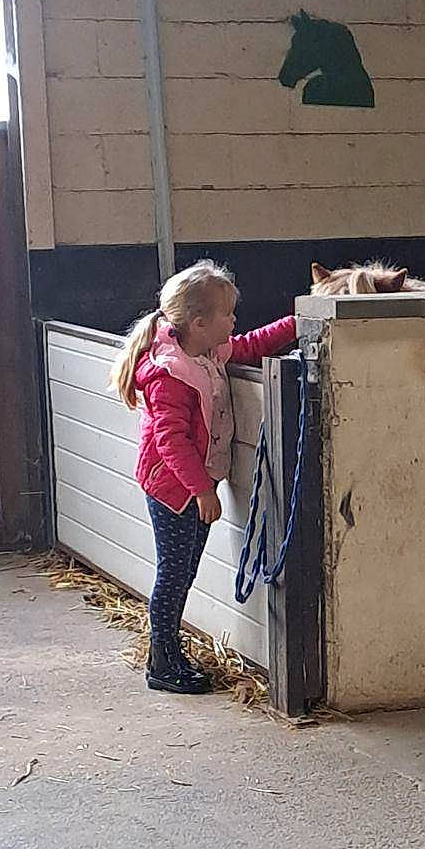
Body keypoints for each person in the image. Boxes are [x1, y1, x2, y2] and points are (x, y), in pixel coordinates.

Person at [110, 260, 295, 694]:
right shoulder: (170, 373)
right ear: (199, 322)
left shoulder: (206, 352)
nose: (234, 322)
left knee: (183, 572)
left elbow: (251, 346)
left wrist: (299, 320)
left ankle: (169, 654)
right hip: (175, 489)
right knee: (173, 574)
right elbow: (170, 441)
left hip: (193, 487)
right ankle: (162, 662)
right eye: (227, 314)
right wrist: (201, 490)